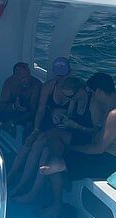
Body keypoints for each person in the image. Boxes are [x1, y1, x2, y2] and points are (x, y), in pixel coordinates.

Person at [37, 72, 116, 218]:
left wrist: (71, 148)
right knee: (57, 155)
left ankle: (56, 207)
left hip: (110, 163)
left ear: (99, 92)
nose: (92, 96)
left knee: (55, 163)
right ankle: (56, 198)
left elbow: (98, 149)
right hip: (108, 156)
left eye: (92, 93)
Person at [7, 57, 73, 186]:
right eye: (59, 75)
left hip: (63, 128)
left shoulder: (75, 88)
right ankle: (11, 176)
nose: (61, 78)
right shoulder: (49, 87)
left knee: (42, 148)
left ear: (70, 72)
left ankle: (24, 186)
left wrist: (61, 114)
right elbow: (40, 111)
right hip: (48, 124)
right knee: (29, 142)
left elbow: (73, 115)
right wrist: (36, 129)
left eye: (64, 75)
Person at [0, 62, 41, 144]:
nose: (26, 80)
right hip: (13, 111)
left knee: (29, 125)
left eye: (28, 76)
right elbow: (2, 106)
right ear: (15, 76)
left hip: (28, 114)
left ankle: (25, 149)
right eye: (23, 77)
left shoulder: (36, 84)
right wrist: (14, 106)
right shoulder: (9, 83)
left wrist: (12, 122)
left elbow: (33, 111)